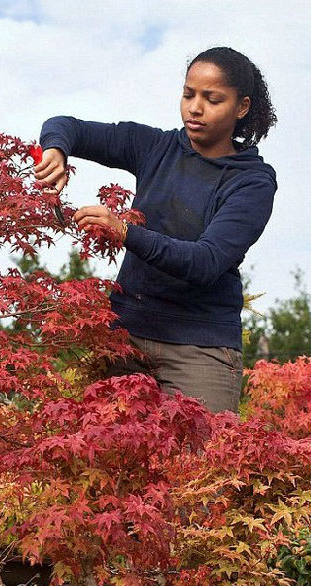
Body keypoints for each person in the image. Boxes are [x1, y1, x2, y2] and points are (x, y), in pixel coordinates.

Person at [34, 46, 277, 413]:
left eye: (212, 99)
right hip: (125, 340)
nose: (195, 108)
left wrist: (125, 232)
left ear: (241, 107)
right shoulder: (155, 147)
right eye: (188, 94)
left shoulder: (252, 182)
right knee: (110, 462)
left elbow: (206, 262)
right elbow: (66, 126)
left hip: (200, 350)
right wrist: (56, 150)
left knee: (201, 467)